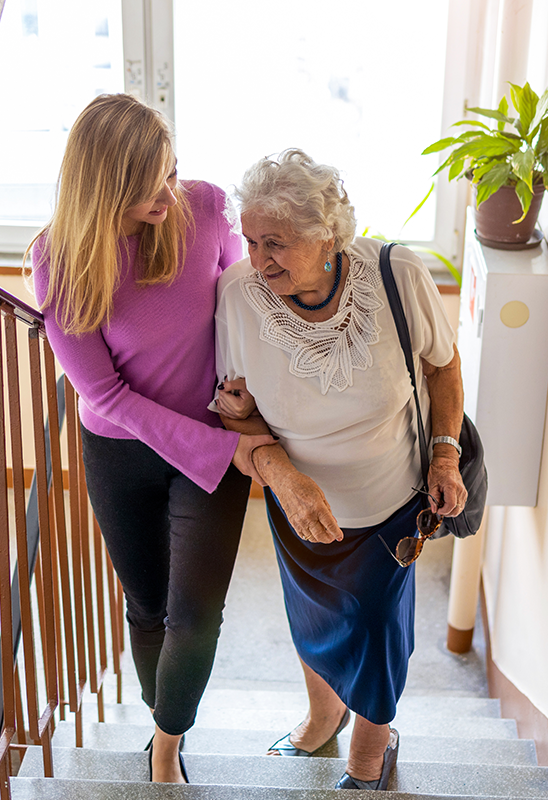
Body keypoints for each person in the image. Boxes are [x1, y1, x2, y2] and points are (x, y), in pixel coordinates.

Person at [31, 94, 274, 784]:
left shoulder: (202, 207)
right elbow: (104, 394)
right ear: (106, 185)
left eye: (172, 172)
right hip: (122, 452)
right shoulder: (59, 260)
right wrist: (224, 451)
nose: (170, 192)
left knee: (195, 614)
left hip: (210, 439)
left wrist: (243, 394)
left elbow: (241, 300)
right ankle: (162, 715)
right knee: (147, 608)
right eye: (151, 185)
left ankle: (166, 745)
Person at [213, 149, 467, 791]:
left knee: (379, 628)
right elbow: (235, 410)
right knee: (316, 618)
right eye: (250, 240)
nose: (258, 258)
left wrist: (444, 452)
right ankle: (323, 715)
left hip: (392, 506)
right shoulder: (238, 296)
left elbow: (442, 366)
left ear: (328, 234)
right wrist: (281, 475)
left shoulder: (396, 273)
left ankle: (368, 753)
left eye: (276, 241)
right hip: (297, 504)